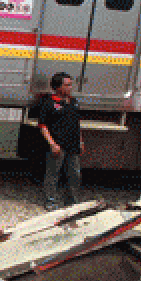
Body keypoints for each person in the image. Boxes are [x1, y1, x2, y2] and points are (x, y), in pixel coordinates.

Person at [34, 71, 83, 211]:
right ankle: (50, 202)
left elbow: (77, 124)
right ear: (58, 87)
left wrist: (81, 142)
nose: (70, 87)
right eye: (67, 85)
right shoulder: (49, 103)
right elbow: (43, 126)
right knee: (53, 175)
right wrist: (52, 144)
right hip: (57, 146)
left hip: (73, 146)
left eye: (70, 85)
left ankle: (72, 203)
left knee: (74, 175)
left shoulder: (74, 102)